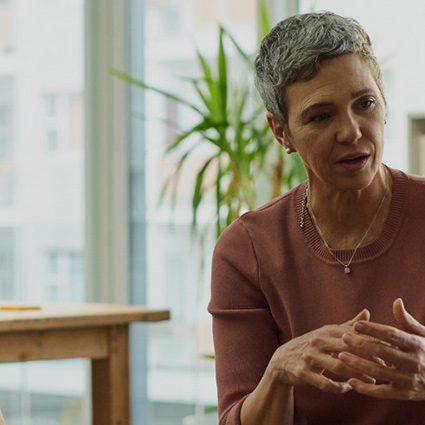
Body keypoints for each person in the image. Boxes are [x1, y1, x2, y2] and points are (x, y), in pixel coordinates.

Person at [208, 11, 425, 425]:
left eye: (365, 104)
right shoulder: (247, 251)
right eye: (321, 116)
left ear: (384, 103)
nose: (352, 131)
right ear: (281, 133)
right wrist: (279, 372)